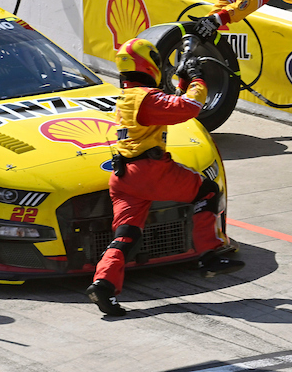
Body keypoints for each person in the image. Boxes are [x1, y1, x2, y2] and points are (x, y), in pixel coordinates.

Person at [85, 37, 244, 317]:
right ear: (149, 64)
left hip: (123, 177)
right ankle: (210, 255)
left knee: (126, 235)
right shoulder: (147, 98)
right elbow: (190, 108)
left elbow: (167, 104)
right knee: (206, 190)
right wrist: (196, 79)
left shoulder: (128, 97)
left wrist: (181, 80)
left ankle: (103, 284)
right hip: (150, 170)